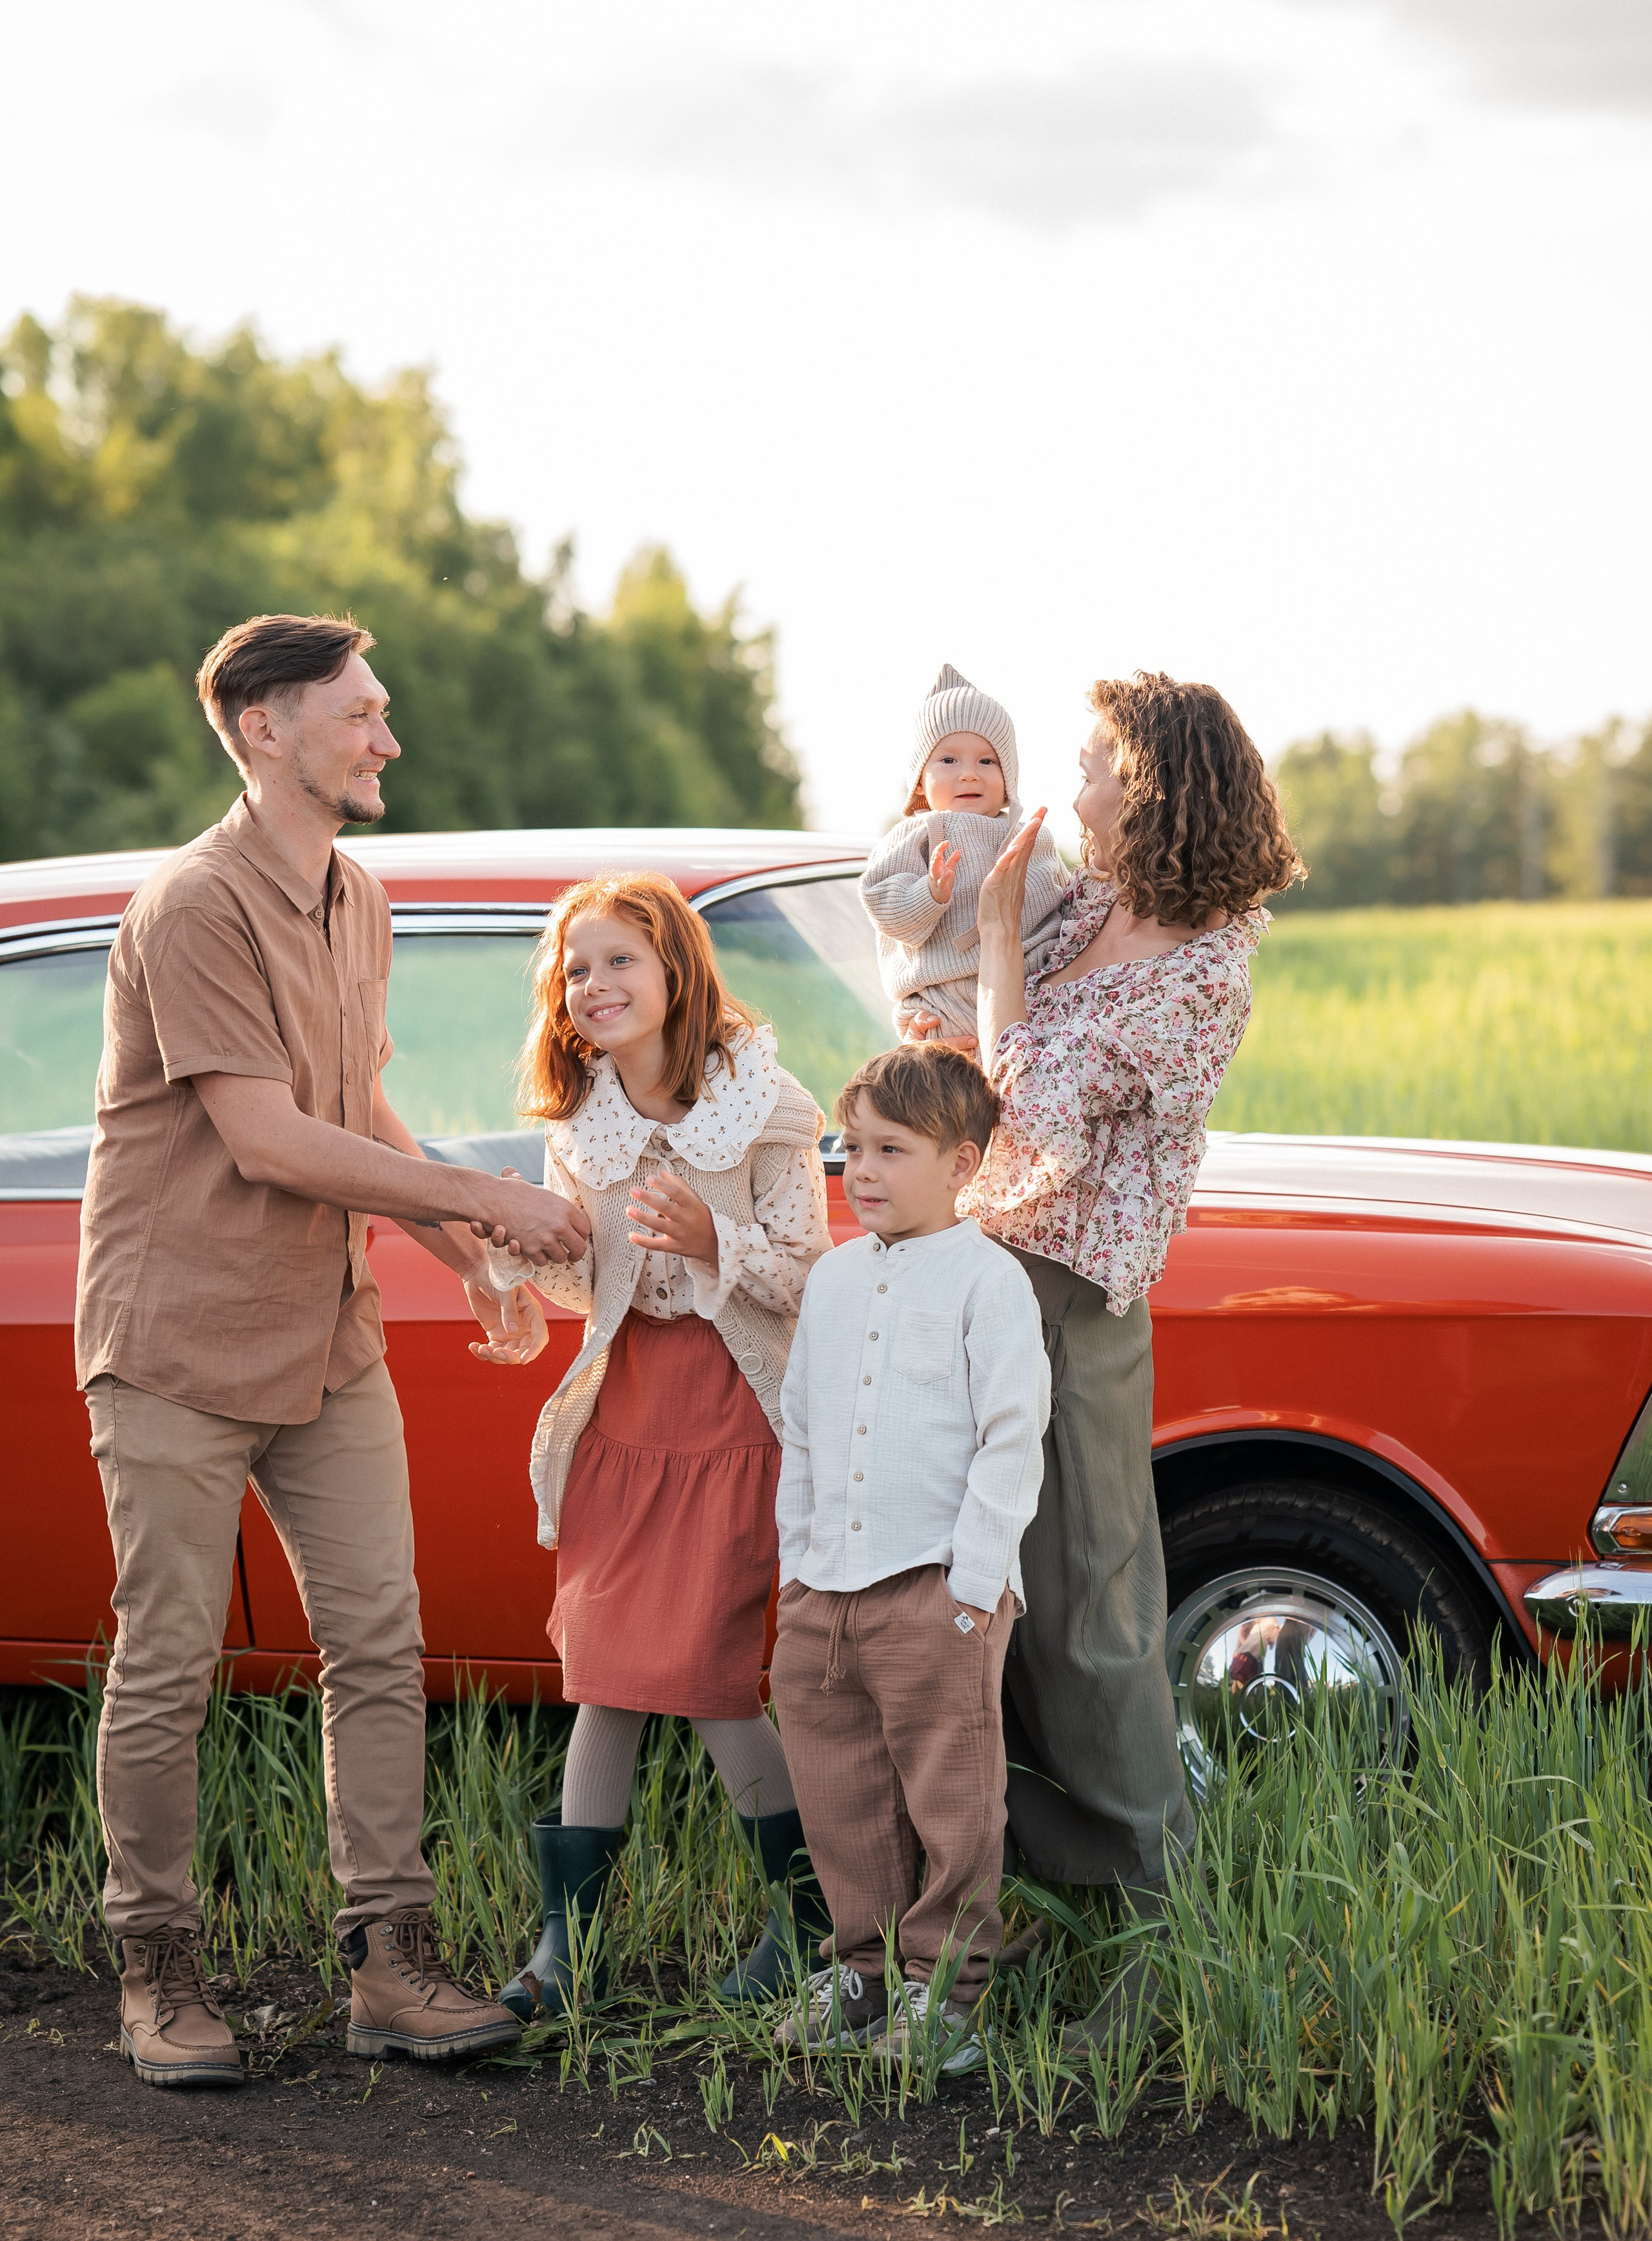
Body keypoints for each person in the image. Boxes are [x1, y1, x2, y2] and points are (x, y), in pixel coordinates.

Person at [76, 610, 591, 2089]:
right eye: (360, 713)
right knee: (170, 1659)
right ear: (264, 729)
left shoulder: (355, 892)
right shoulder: (189, 905)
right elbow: (262, 1133)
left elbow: (355, 1094)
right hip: (174, 1336)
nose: (386, 737)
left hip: (326, 1335)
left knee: (378, 1638)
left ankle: (390, 1962)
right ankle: (158, 1971)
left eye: (379, 709)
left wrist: (459, 1253)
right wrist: (487, 1193)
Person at [957, 668, 1303, 2049]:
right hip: (977, 1275)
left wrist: (989, 945)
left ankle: (1164, 1933)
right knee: (986, 1608)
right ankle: (1035, 1898)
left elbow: (1014, 1097)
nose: (1074, 783)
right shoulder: (1096, 907)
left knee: (1091, 1608)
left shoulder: (1206, 964)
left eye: (1095, 763)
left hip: (1076, 1299)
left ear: (1151, 784)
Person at [470, 872, 834, 2019]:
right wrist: (523, 1268)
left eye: (620, 959)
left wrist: (710, 1233)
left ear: (677, 971)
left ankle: (810, 1924)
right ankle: (562, 1949)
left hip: (732, 1411)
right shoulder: (582, 1123)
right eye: (577, 969)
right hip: (626, 1412)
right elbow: (596, 1278)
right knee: (607, 1680)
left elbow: (808, 1272)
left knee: (714, 1678)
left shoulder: (770, 1110)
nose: (596, 985)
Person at [767, 1045, 1049, 2068]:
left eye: (892, 1147)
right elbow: (802, 1426)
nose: (862, 1169)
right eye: (852, 1147)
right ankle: (864, 1969)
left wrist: (972, 1587)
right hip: (825, 1590)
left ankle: (946, 1993)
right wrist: (797, 1566)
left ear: (961, 1161)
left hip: (938, 1590)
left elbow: (1012, 1439)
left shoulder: (990, 1281)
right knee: (838, 1786)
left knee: (951, 1796)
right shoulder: (836, 1280)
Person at [859, 663, 1067, 1048]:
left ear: (1009, 777)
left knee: (1013, 1096)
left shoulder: (1029, 837)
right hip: (942, 1001)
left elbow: (1057, 909)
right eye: (949, 761)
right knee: (949, 1099)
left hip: (1022, 996)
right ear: (921, 778)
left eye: (987, 761)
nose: (969, 774)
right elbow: (882, 904)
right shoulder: (912, 836)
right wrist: (930, 892)